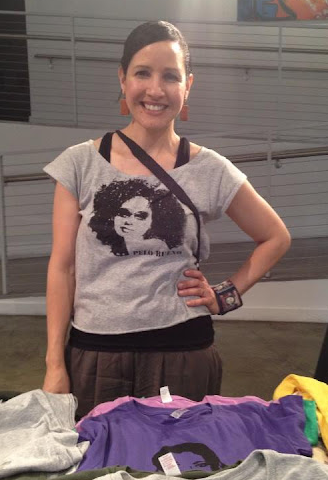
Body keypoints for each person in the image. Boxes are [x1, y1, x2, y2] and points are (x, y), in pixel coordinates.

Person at [42, 20, 291, 419]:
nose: (155, 90)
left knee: (180, 457)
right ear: (123, 79)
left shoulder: (211, 169)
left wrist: (224, 296)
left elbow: (276, 237)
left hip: (183, 354)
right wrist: (55, 362)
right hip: (97, 354)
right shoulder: (79, 164)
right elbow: (62, 267)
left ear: (187, 86)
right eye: (143, 73)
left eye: (170, 77)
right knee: (95, 456)